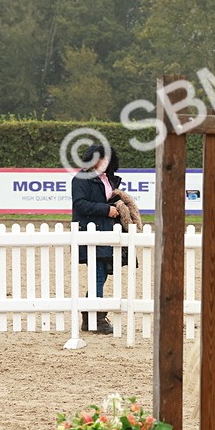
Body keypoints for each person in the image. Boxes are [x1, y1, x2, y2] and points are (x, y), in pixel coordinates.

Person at [72, 144, 127, 335]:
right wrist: (106, 210)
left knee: (101, 275)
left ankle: (91, 317)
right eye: (102, 159)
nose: (105, 162)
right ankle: (95, 317)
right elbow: (79, 204)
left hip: (106, 232)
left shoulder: (109, 179)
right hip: (90, 231)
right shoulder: (80, 179)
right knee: (97, 275)